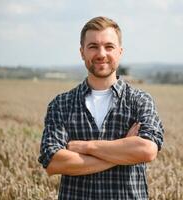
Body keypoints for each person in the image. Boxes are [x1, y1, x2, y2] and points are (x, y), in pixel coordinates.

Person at [38, 16, 164, 200]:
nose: (101, 53)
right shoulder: (61, 104)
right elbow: (53, 162)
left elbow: (147, 150)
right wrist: (123, 152)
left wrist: (85, 146)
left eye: (109, 46)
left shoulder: (140, 101)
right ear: (82, 52)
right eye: (93, 46)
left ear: (120, 52)